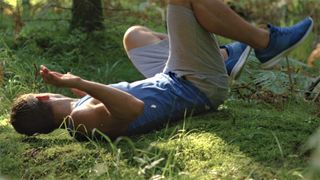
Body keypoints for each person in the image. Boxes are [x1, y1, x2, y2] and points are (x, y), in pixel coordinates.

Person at [10, 0, 314, 140]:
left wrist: (83, 89)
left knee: (134, 35)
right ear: (45, 97)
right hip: (196, 86)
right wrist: (84, 83)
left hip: (173, 76)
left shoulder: (80, 111)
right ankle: (265, 43)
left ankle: (221, 56)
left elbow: (125, 102)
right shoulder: (80, 120)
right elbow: (133, 107)